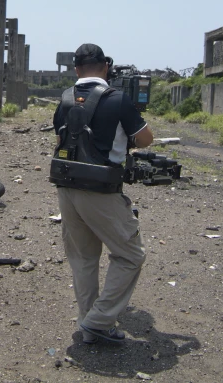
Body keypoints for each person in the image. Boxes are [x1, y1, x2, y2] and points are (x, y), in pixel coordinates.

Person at [51, 43, 153, 344]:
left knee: (83, 258)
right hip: (101, 190)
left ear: (76, 69)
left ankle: (89, 322)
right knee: (131, 254)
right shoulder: (118, 98)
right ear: (105, 67)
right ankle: (99, 320)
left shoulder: (65, 99)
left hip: (66, 188)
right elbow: (145, 139)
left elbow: (59, 137)